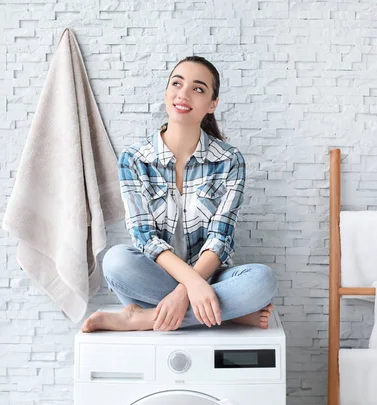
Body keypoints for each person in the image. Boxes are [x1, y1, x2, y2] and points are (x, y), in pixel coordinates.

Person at [81, 56, 277, 333]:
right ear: (166, 92)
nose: (183, 94)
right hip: (155, 278)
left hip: (213, 280)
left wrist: (188, 290)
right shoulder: (134, 159)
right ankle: (227, 314)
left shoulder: (230, 160)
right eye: (177, 83)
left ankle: (142, 319)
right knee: (116, 261)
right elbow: (144, 237)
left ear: (212, 104)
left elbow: (221, 238)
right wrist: (193, 286)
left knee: (261, 280)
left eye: (198, 89)